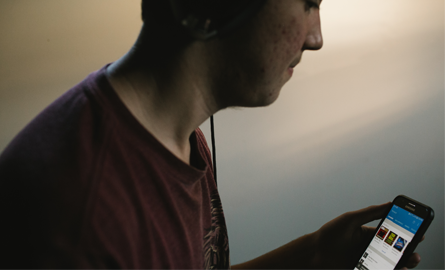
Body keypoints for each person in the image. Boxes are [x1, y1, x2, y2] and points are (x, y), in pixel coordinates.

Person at [0, 0, 423, 268]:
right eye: (308, 3)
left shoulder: (179, 135)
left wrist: (313, 255)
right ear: (214, 6)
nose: (316, 38)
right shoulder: (78, 219)